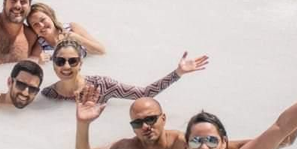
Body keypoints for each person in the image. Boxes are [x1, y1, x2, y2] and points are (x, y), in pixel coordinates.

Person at [74, 91, 271, 149]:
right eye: (138, 123)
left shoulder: (185, 145)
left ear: (163, 119)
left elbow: (237, 147)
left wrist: (279, 138)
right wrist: (83, 124)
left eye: (151, 119)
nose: (145, 126)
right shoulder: (130, 148)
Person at [41, 38, 209, 102]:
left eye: (73, 61)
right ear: (54, 64)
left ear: (81, 64)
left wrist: (177, 73)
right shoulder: (48, 94)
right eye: (60, 61)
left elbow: (144, 94)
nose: (66, 66)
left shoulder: (102, 86)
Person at [27, 2, 105, 60]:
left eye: (43, 19)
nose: (41, 25)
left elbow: (101, 51)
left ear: (51, 16)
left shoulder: (72, 27)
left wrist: (78, 39)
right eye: (35, 24)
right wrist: (41, 60)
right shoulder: (39, 44)